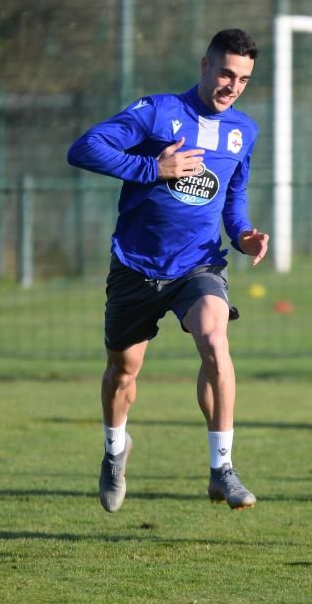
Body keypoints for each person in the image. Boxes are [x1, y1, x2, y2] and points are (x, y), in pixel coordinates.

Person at [67, 28, 268, 514]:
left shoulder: (244, 131)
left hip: (198, 264)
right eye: (225, 73)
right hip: (136, 266)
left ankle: (222, 468)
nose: (232, 86)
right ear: (204, 65)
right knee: (122, 372)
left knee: (213, 339)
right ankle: (115, 452)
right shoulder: (157, 112)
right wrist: (152, 170)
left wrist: (242, 234)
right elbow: (84, 148)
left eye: (242, 79)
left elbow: (232, 196)